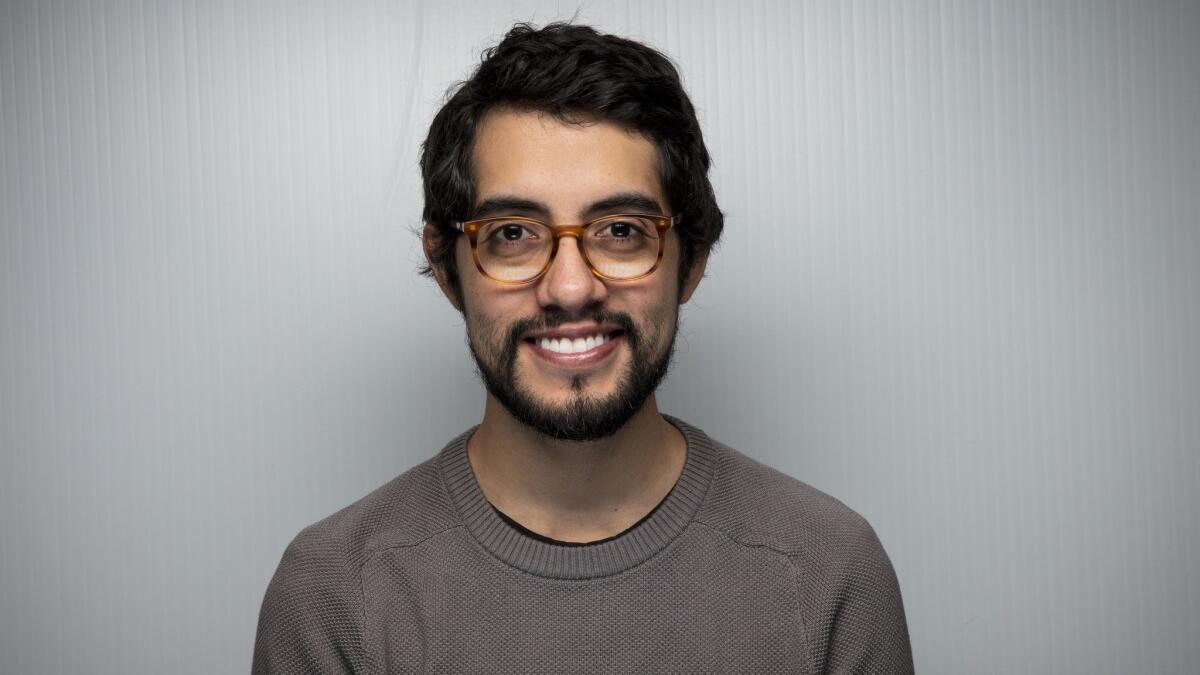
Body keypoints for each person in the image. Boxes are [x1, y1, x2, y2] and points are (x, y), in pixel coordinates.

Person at [252, 21, 913, 674]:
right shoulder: (332, 595)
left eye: (621, 229)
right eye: (512, 233)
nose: (570, 288)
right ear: (449, 267)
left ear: (693, 259)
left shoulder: (828, 571)